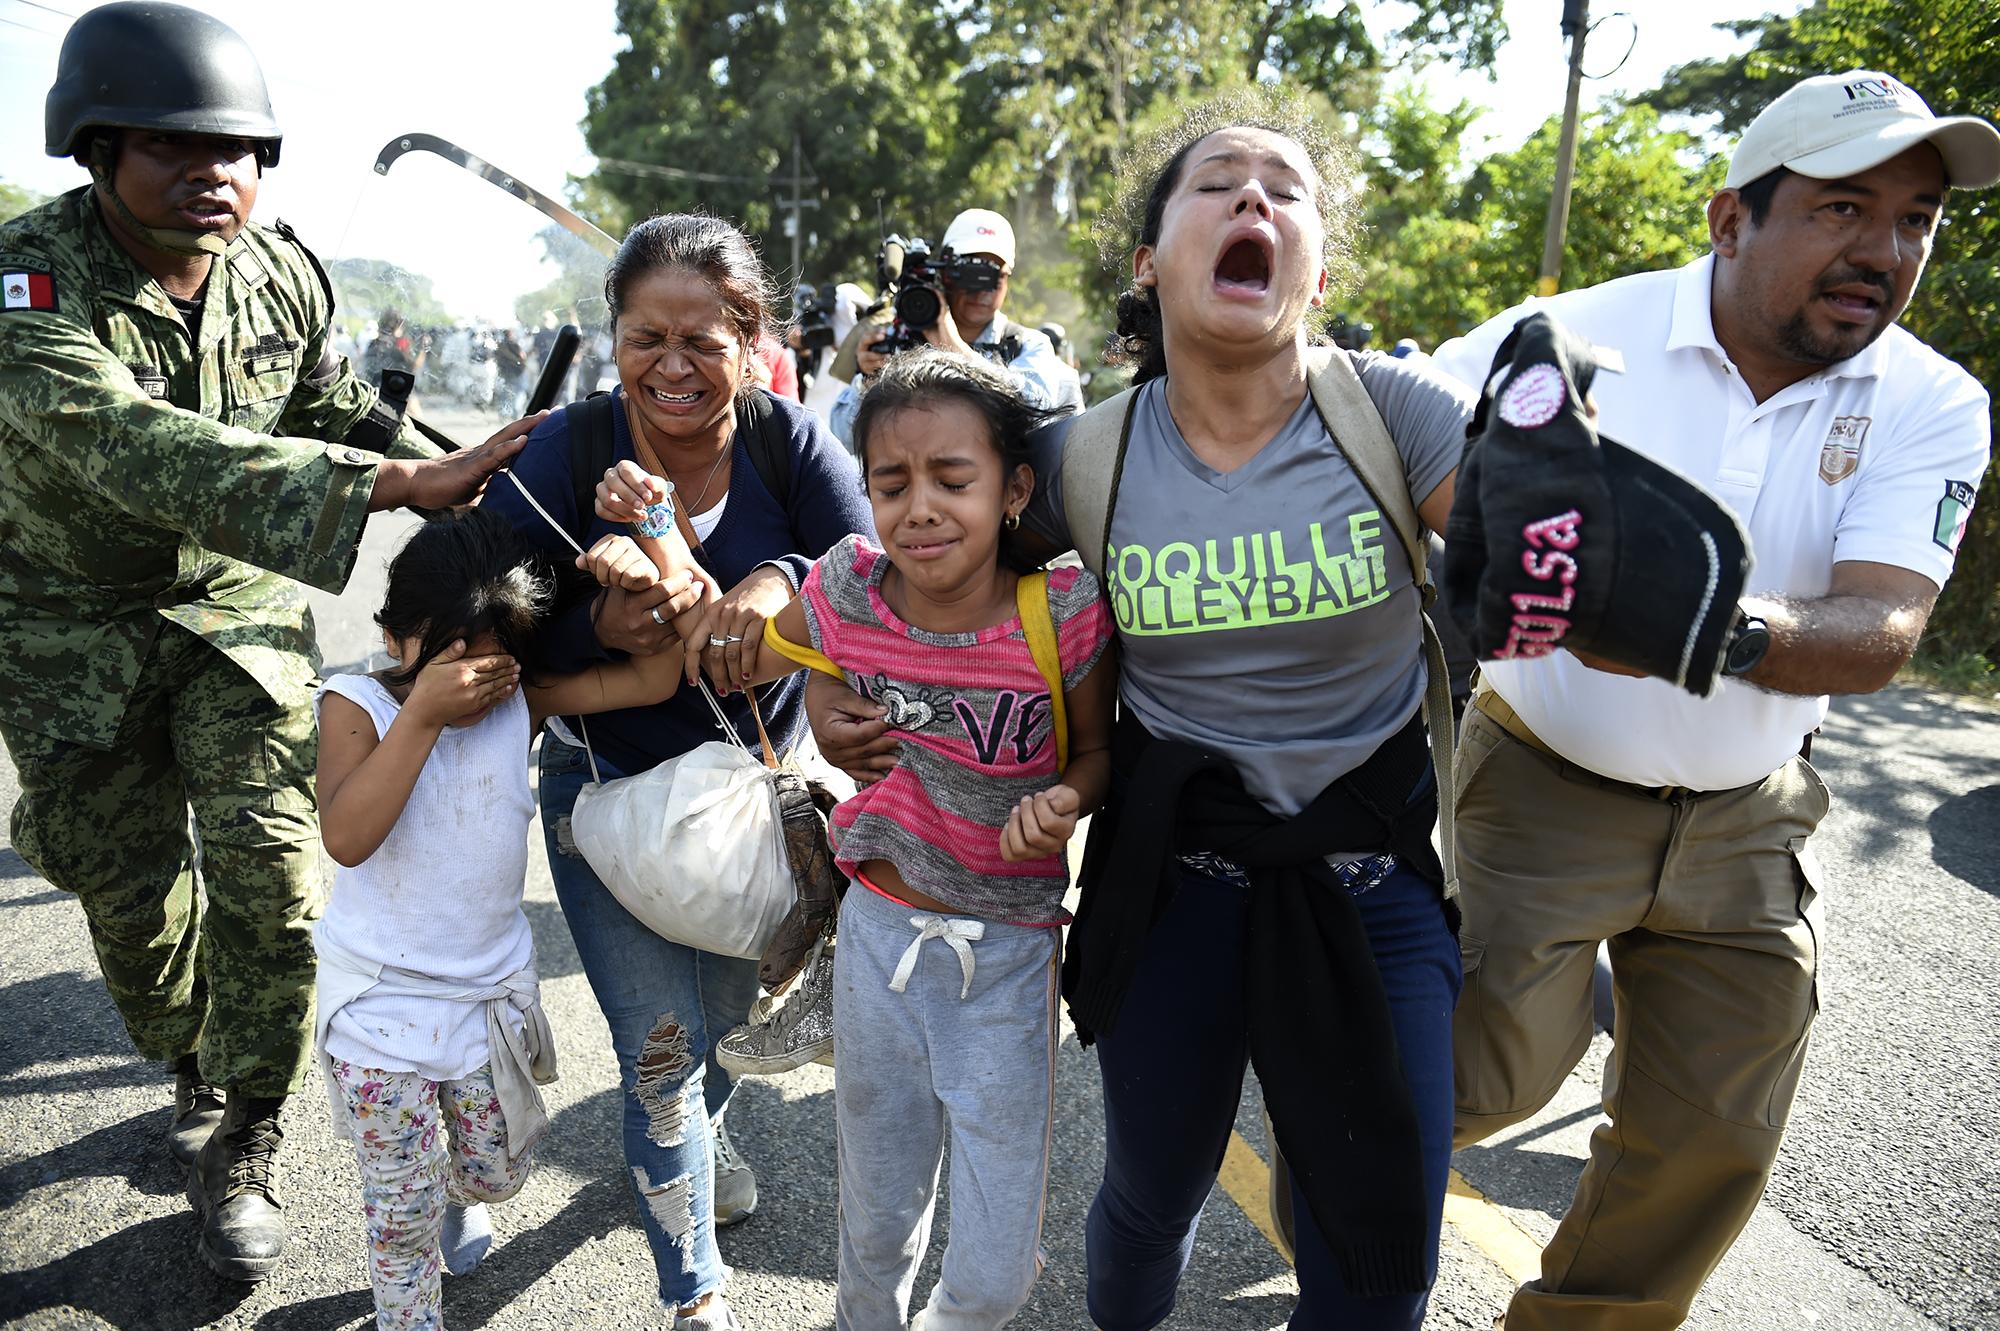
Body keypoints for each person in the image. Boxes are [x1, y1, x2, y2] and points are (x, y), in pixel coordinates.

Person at [811, 89, 1476, 1330]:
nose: (1253, 202)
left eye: (1285, 191)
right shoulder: (1080, 458)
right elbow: (912, 560)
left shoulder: (1396, 415)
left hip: (1372, 884)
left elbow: (1526, 565)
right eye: (1218, 183)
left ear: (1315, 265)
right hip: (1177, 885)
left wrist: (1576, 525)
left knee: (1381, 1251)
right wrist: (826, 679)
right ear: (1150, 257)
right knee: (1149, 1196)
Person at [1430, 70, 1999, 1331]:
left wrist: (1706, 626)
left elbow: (1881, 627)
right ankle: (1346, 1208)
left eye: (1914, 219)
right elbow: (1413, 491)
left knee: (1712, 1135)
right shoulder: (1565, 337)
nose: (1884, 250)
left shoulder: (1931, 398)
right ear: (1729, 219)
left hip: (1749, 811)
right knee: (1473, 1078)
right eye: (1843, 207)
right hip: (1539, 780)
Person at [0, 0, 533, 1283]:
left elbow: (327, 401)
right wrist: (385, 487)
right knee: (130, 898)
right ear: (93, 149)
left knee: (274, 874)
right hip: (68, 620)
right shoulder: (28, 284)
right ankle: (190, 1047)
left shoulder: (282, 270)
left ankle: (244, 1124)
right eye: (173, 151)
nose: (213, 175)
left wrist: (465, 481)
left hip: (235, 607)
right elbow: (130, 443)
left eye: (236, 153)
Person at [604, 348, 1116, 1329]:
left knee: (998, 1269)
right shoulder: (850, 587)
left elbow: (1096, 749)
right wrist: (828, 703)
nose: (919, 506)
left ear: (1013, 488)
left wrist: (1068, 797)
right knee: (877, 1219)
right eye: (891, 483)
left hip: (1007, 960)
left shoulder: (1061, 614)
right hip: (878, 940)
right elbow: (765, 648)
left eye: (951, 479)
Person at [481, 212, 872, 1331]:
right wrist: (597, 618)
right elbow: (484, 613)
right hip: (608, 810)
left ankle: (698, 1139)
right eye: (646, 336)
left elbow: (869, 563)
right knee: (659, 1054)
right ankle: (692, 1288)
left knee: (721, 1036)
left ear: (755, 344)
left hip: (761, 810)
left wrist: (771, 582)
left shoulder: (788, 442)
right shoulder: (566, 447)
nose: (673, 366)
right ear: (613, 338)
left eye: (704, 340)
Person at [314, 508, 696, 1331]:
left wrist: (651, 551)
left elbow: (657, 678)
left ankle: (461, 1192)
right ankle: (408, 1313)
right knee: (399, 1210)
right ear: (393, 637)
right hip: (378, 1006)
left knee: (499, 1170)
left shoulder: (516, 704)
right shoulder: (356, 705)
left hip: (485, 1002)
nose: (473, 683)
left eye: (492, 663)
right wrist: (421, 712)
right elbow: (346, 836)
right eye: (451, 659)